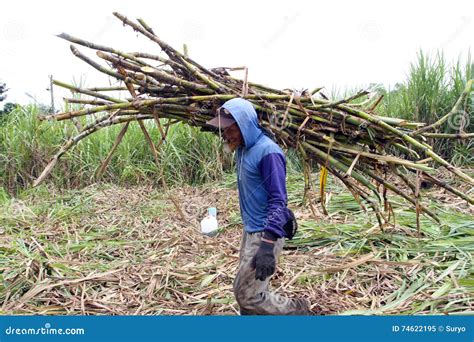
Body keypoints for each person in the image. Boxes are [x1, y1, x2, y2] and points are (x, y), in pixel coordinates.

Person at [206, 98, 311, 315]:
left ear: (244, 124)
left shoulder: (268, 152)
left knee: (247, 295)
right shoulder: (242, 148)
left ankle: (297, 311)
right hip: (251, 230)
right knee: (248, 289)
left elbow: (278, 200)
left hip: (265, 232)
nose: (225, 135)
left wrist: (267, 245)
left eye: (228, 129)